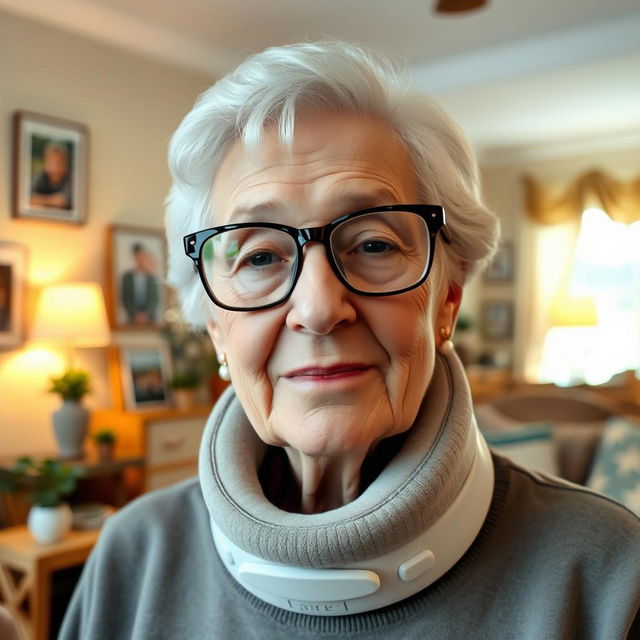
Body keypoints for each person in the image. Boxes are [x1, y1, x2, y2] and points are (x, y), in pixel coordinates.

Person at [59, 41, 640, 639]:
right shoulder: (133, 558)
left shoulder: (608, 577)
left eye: (373, 244)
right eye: (259, 255)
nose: (316, 308)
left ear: (447, 299)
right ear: (216, 329)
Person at [120, 242, 159, 324]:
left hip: (150, 321)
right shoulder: (127, 277)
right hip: (132, 320)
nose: (140, 258)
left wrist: (146, 314)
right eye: (137, 255)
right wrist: (135, 315)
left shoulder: (152, 277)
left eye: (141, 255)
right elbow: (125, 299)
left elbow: (154, 300)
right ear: (134, 256)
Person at [30, 141, 72, 209]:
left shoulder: (71, 179)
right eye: (51, 161)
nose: (55, 167)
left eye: (58, 162)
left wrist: (40, 201)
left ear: (66, 164)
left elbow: (63, 201)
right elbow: (29, 198)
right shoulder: (41, 176)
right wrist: (52, 201)